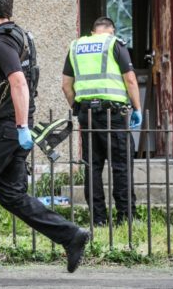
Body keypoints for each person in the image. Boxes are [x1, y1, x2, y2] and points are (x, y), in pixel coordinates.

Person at [0, 0, 90, 283]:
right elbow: (2, 85)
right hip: (9, 127)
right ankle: (71, 235)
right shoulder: (19, 36)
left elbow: (19, 83)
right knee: (10, 194)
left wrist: (22, 126)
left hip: (5, 129)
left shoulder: (0, 42)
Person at [61, 17, 142, 227]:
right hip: (113, 114)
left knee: (92, 166)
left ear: (92, 31)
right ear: (111, 30)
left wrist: (77, 108)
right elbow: (130, 80)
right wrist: (137, 108)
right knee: (121, 165)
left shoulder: (76, 46)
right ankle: (126, 217)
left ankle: (98, 219)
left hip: (86, 113)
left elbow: (66, 86)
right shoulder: (115, 43)